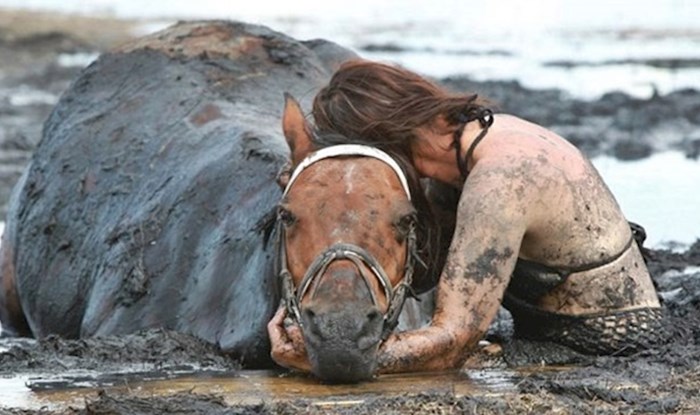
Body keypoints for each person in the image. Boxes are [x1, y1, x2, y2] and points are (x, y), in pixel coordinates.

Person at [268, 59, 664, 374]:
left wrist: (330, 356)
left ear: (385, 137)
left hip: (604, 346)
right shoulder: (468, 154)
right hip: (555, 330)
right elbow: (424, 277)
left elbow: (453, 341)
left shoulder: (501, 181)